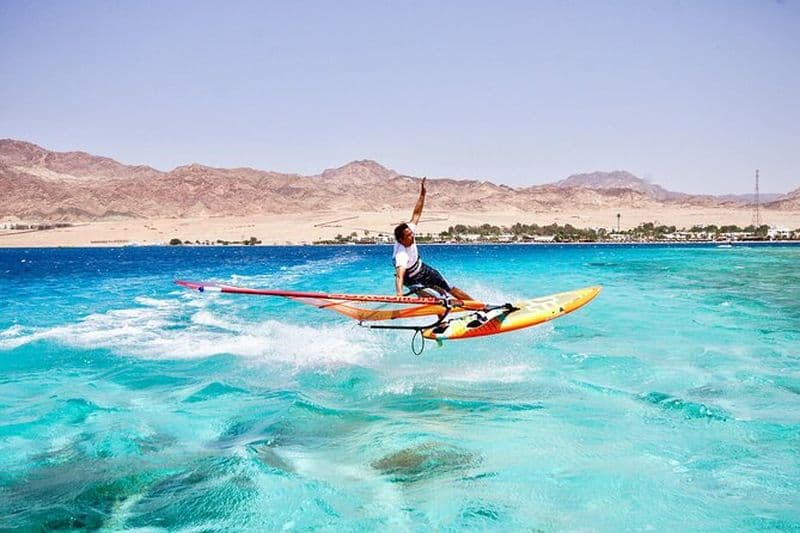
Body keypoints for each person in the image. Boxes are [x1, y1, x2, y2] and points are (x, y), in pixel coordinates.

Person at [393, 178, 473, 300]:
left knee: (449, 288)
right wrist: (399, 294)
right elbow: (400, 276)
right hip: (410, 278)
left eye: (411, 233)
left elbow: (416, 214)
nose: (412, 236)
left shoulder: (408, 231)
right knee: (432, 298)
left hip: (423, 269)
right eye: (408, 236)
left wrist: (422, 194)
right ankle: (440, 310)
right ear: (401, 240)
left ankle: (477, 305)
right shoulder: (401, 255)